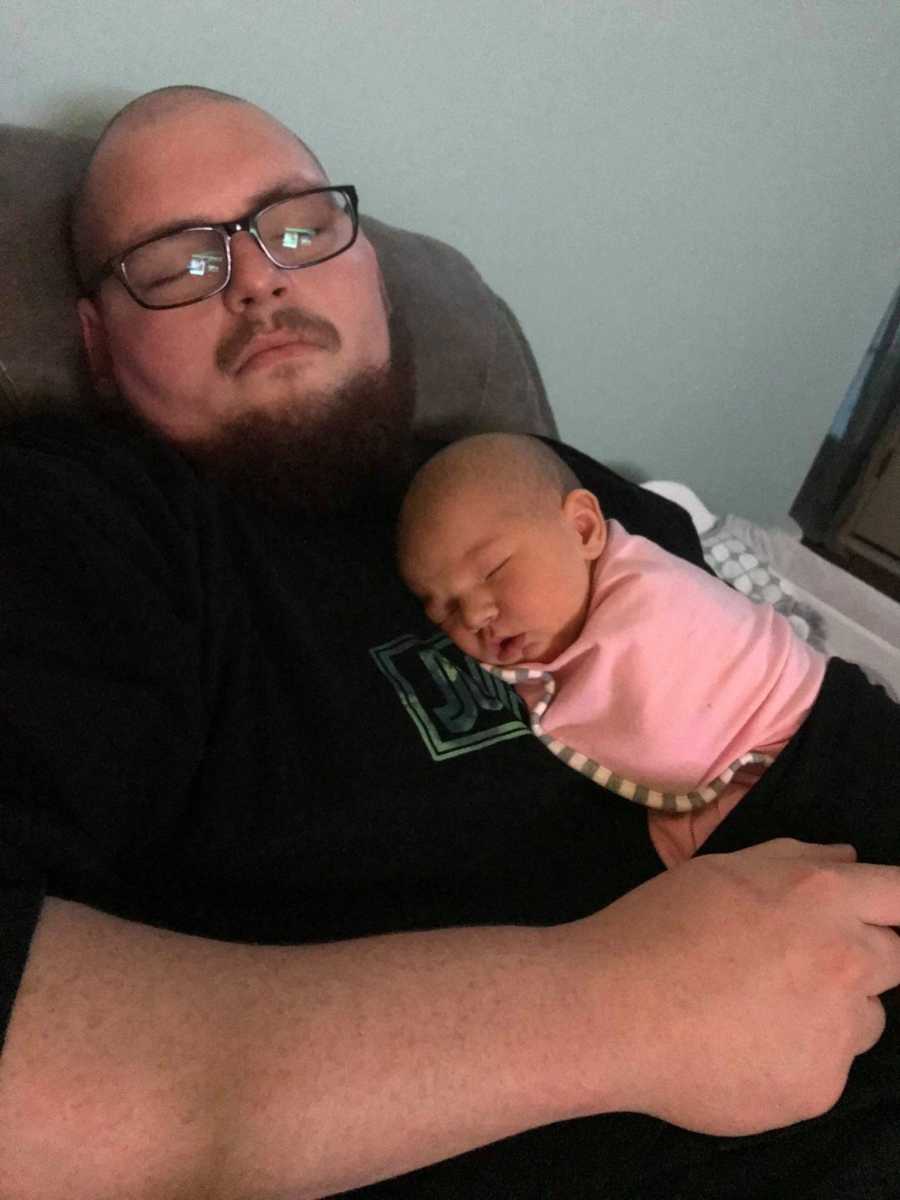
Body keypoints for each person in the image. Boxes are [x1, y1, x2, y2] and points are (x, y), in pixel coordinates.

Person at [2, 85, 900, 1200]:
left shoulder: (537, 477)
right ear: (96, 339)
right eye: (178, 260)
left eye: (298, 224)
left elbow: (796, 706)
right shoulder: (79, 528)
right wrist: (612, 1009)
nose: (259, 276)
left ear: (367, 262)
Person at [396, 432, 899, 870]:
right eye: (444, 610)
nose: (475, 614)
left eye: (493, 570)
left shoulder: (651, 593)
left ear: (583, 529)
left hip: (817, 737)